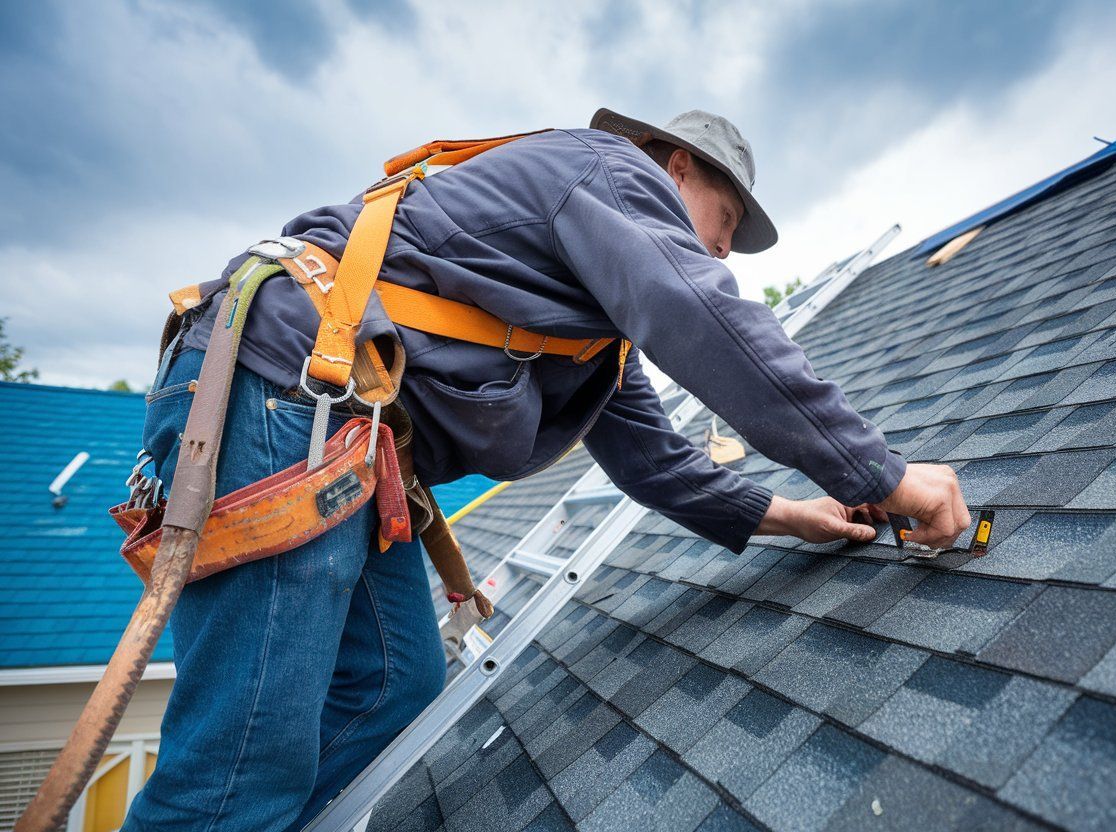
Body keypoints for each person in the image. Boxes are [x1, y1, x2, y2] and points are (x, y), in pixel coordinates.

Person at [121, 109, 970, 831]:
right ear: (676, 167)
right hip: (279, 390)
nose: (723, 249)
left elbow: (657, 463)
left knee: (392, 685)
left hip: (337, 432)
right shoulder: (605, 170)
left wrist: (792, 513)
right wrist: (885, 474)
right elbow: (707, 320)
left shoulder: (587, 333)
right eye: (724, 220)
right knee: (242, 765)